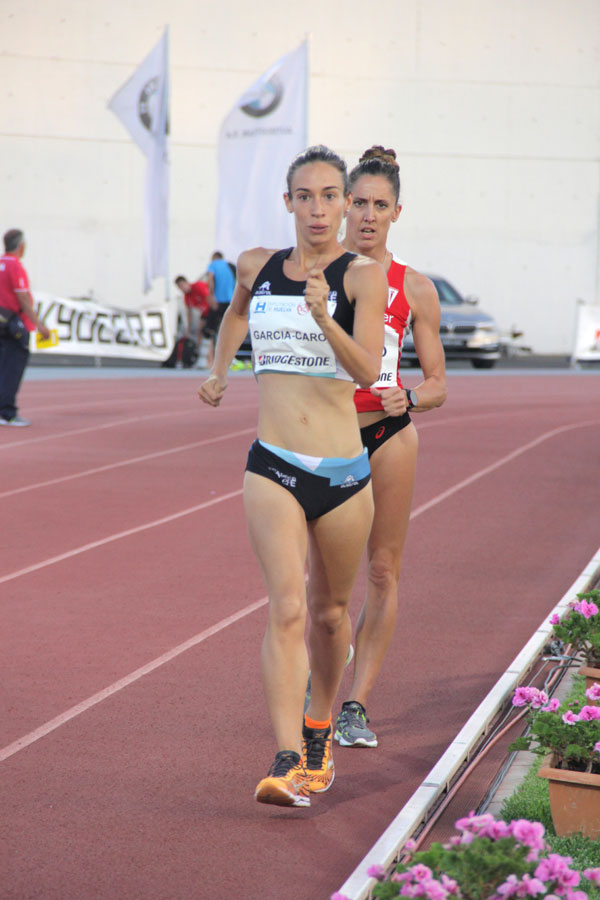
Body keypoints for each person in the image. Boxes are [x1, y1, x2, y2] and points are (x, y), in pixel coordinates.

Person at [198, 145, 387, 807]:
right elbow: (237, 312)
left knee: (331, 617)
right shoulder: (256, 264)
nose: (318, 208)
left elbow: (368, 369)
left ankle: (318, 728)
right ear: (288, 202)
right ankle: (284, 758)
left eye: (330, 196)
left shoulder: (362, 276)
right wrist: (220, 370)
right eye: (305, 196)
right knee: (287, 607)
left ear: (344, 203)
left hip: (343, 475)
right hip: (273, 462)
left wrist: (323, 317)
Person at [332, 146, 448, 747]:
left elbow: (438, 382)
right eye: (360, 203)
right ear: (342, 206)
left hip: (387, 434)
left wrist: (412, 397)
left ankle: (355, 704)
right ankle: (327, 656)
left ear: (396, 212)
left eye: (381, 205)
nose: (368, 215)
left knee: (382, 570)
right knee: (324, 582)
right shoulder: (317, 275)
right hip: (326, 436)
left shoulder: (416, 288)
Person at [0, 229, 50, 426]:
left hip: (2, 323)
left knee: (3, 367)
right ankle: (7, 413)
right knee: (13, 369)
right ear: (21, 246)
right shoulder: (15, 266)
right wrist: (39, 325)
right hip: (15, 325)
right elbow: (22, 298)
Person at [173, 275, 217, 364]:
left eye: (182, 285)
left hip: (212, 310)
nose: (182, 289)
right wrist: (188, 328)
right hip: (205, 313)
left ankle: (211, 359)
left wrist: (214, 314)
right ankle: (201, 356)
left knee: (208, 332)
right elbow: (189, 313)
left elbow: (209, 297)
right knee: (199, 331)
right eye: (180, 287)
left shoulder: (198, 286)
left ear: (186, 283)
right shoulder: (187, 296)